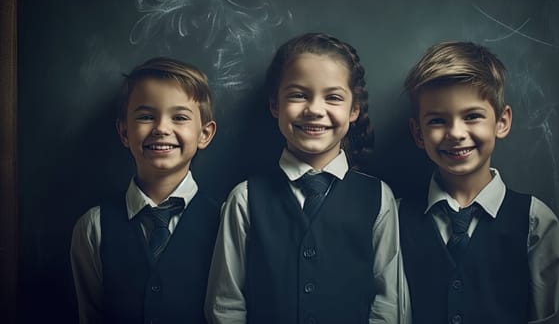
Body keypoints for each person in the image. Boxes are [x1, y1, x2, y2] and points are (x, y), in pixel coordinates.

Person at [205, 32, 401, 324]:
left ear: (354, 110)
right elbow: (226, 305)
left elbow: (389, 303)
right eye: (298, 95)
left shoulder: (379, 197)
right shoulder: (244, 198)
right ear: (275, 105)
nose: (314, 110)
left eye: (333, 97)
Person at [399, 41, 559, 324]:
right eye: (438, 121)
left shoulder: (535, 221)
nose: (456, 133)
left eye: (472, 116)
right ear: (418, 133)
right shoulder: (395, 216)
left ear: (502, 121)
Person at [70, 57, 219, 323]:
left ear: (204, 134)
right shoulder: (93, 227)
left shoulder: (226, 223)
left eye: (180, 117)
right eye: (146, 116)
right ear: (125, 132)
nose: (162, 128)